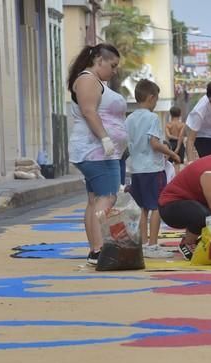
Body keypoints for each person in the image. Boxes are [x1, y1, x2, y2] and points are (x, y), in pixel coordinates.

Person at [67, 43, 127, 266]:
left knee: (95, 200)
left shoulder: (93, 81)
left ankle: (95, 250)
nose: (114, 71)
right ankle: (100, 249)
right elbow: (89, 112)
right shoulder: (87, 80)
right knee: (107, 197)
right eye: (112, 65)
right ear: (99, 60)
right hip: (96, 151)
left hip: (98, 150)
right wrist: (105, 139)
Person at [125, 79, 180, 259]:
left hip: (136, 169)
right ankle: (153, 244)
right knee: (156, 206)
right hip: (152, 168)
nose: (156, 103)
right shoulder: (152, 117)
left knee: (142, 207)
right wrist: (171, 153)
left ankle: (142, 243)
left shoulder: (130, 118)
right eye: (156, 99)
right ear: (151, 97)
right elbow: (154, 143)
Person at [165, 106, 185, 172]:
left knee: (169, 164)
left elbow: (168, 136)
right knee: (177, 164)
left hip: (170, 144)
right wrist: (178, 148)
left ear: (171, 114)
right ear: (180, 114)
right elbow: (181, 137)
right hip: (179, 144)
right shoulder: (182, 125)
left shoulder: (168, 125)